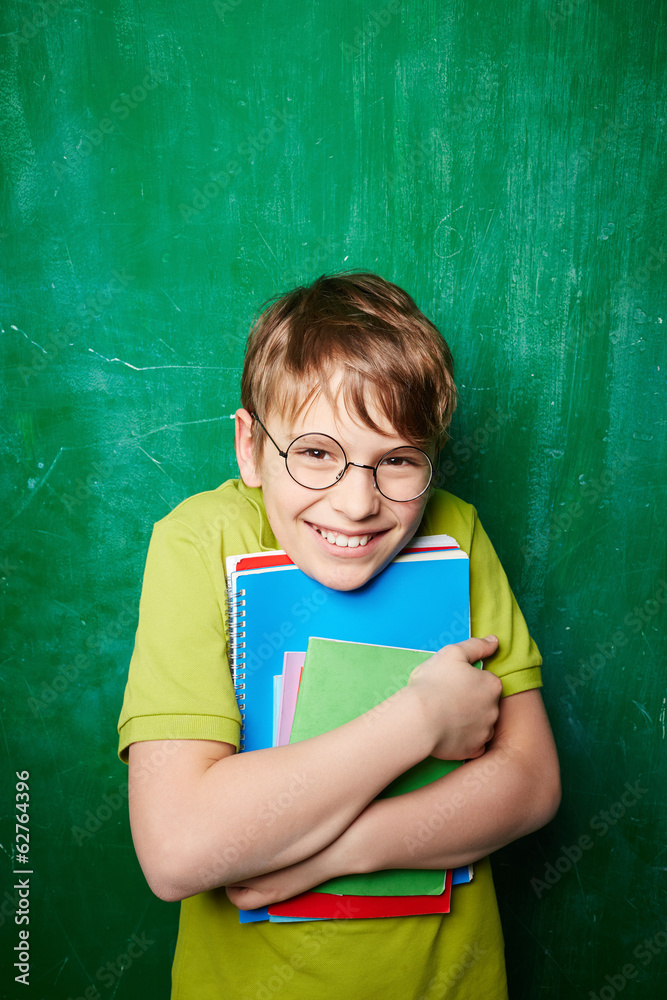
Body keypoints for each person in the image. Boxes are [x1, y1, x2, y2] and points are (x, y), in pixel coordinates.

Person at [117, 271, 561, 1000]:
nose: (357, 505)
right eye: (316, 454)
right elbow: (178, 849)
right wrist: (419, 720)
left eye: (397, 461)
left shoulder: (456, 533)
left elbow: (532, 784)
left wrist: (329, 855)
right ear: (250, 449)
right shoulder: (199, 543)